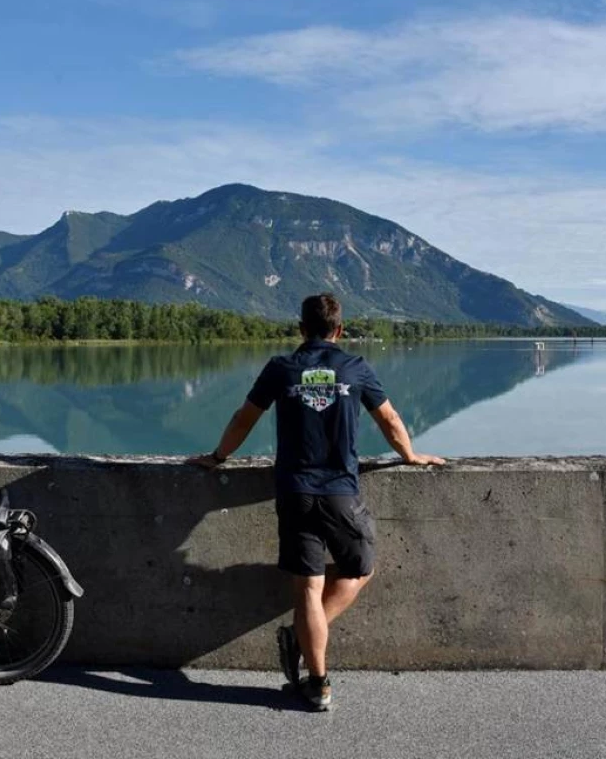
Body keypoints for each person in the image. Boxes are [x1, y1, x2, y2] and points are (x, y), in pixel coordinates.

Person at [189, 293, 443, 711]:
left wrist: (218, 458)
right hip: (341, 492)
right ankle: (303, 640)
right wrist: (411, 457)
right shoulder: (355, 367)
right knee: (361, 567)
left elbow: (243, 418)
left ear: (301, 329)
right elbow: (391, 420)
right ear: (339, 331)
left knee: (308, 586)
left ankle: (319, 684)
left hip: (294, 491)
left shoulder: (281, 368)